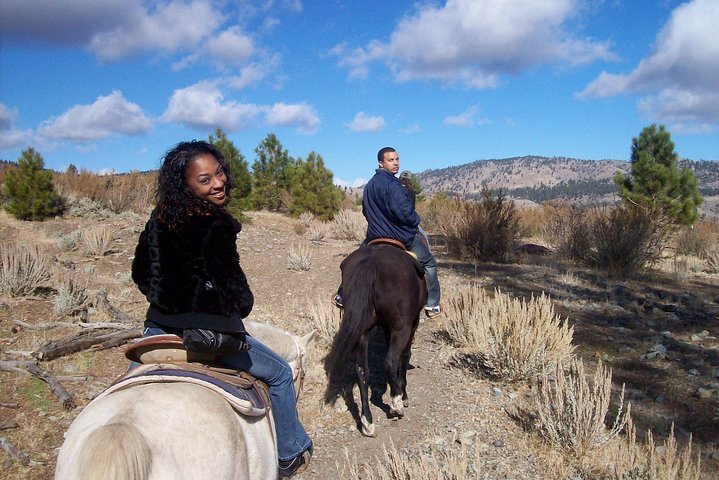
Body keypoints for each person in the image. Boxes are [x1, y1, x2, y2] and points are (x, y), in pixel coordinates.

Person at [131, 140, 312, 478]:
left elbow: (141, 274)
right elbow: (236, 294)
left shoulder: (159, 218)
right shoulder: (215, 223)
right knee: (280, 374)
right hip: (206, 336)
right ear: (185, 184)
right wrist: (232, 303)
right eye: (205, 179)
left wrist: (169, 301)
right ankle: (289, 452)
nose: (218, 183)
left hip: (158, 329)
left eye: (219, 173)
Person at [333, 147, 441, 318]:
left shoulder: (369, 185)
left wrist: (378, 223)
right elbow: (404, 212)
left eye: (397, 159)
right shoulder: (394, 185)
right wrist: (415, 220)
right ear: (381, 163)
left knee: (358, 261)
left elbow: (366, 211)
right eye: (391, 160)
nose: (396, 163)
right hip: (401, 237)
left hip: (374, 236)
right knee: (429, 263)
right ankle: (432, 304)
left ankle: (342, 294)